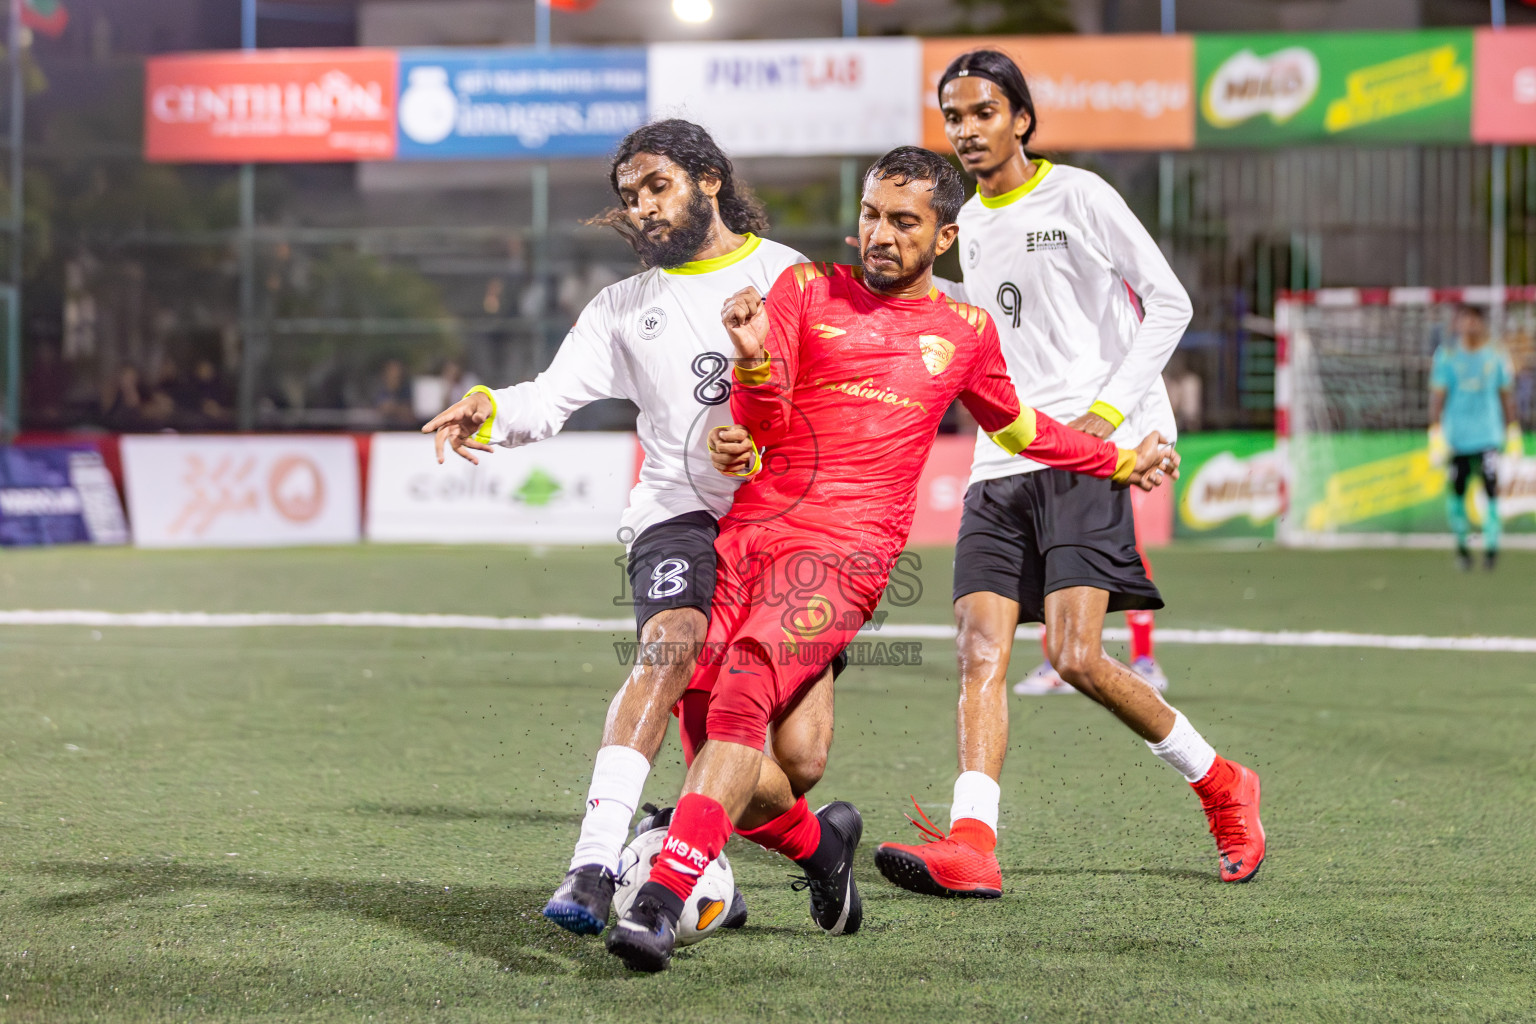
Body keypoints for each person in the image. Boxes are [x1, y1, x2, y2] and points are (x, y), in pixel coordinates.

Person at [606, 145, 1177, 973]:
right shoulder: (804, 290)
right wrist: (754, 358)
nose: (879, 233)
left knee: (738, 704)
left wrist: (1118, 459)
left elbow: (1020, 432)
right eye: (871, 214)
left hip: (843, 560)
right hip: (751, 536)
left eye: (903, 222)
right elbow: (763, 423)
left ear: (942, 237)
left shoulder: (965, 331)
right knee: (754, 753)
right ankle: (821, 849)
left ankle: (661, 898)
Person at [421, 119, 839, 938]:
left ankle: (819, 847)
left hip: (786, 529)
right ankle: (595, 860)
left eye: (658, 187)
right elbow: (550, 397)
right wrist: (493, 407)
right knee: (669, 646)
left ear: (709, 180)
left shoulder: (793, 278)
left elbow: (832, 401)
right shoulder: (623, 307)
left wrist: (771, 441)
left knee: (793, 766)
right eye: (629, 197)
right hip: (677, 514)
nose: (643, 208)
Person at [871, 50, 1266, 899]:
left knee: (1076, 655)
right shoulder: (959, 226)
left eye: (982, 113)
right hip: (999, 454)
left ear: (1021, 116)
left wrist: (1119, 420)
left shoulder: (1080, 195)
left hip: (1087, 450)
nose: (966, 131)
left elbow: (1169, 303)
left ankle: (1223, 783)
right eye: (952, 117)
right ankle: (974, 841)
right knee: (980, 649)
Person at [1429, 303, 1521, 571]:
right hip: (1457, 439)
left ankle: (1491, 548)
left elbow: (1506, 396)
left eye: (1473, 318)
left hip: (1488, 436)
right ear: (1457, 323)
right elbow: (1438, 398)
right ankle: (1461, 546)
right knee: (1457, 492)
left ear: (1481, 322)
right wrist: (1435, 434)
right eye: (1464, 318)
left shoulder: (1496, 356)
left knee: (1491, 490)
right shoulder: (1446, 357)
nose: (1468, 324)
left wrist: (1512, 431)